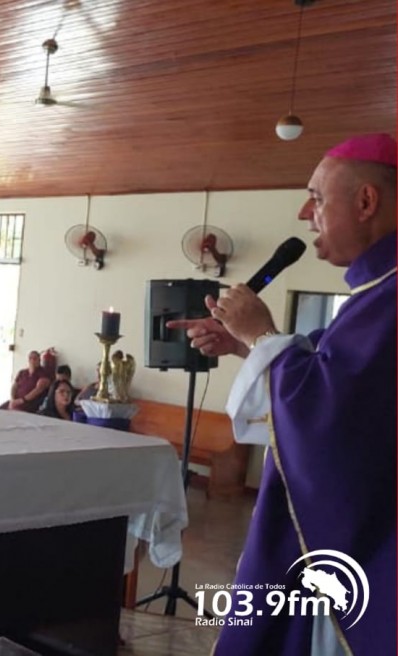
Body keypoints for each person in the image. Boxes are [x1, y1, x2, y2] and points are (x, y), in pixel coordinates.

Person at [167, 133, 396, 656]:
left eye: (316, 197)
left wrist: (263, 337)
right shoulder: (377, 293)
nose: (303, 212)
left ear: (366, 202)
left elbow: (332, 418)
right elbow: (333, 372)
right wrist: (248, 345)